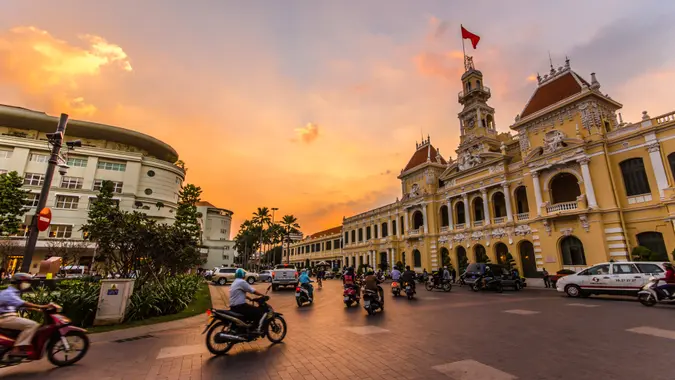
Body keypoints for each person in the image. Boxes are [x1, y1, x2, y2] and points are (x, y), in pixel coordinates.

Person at [0, 273, 52, 357]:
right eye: (25, 282)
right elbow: (22, 303)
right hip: (5, 318)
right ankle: (17, 348)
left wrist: (35, 309)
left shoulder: (13, 292)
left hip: (8, 317)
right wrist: (42, 306)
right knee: (32, 325)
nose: (27, 284)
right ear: (18, 282)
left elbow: (16, 306)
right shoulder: (9, 293)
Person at [229, 268, 268, 333]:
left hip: (233, 306)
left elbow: (238, 293)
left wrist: (248, 298)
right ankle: (255, 329)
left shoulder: (235, 282)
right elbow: (252, 290)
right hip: (240, 306)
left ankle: (247, 327)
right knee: (258, 312)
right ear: (243, 275)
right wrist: (262, 295)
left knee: (250, 311)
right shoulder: (242, 282)